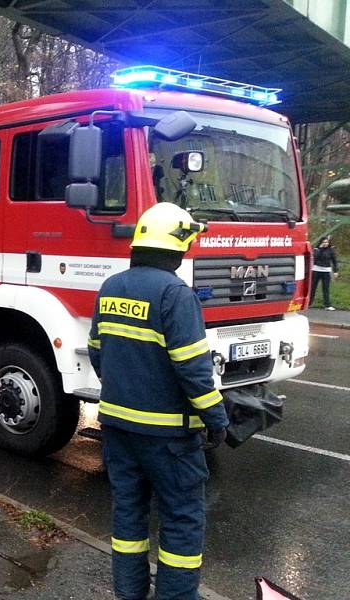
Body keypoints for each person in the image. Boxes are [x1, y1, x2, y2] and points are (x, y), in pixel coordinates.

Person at [88, 202, 229, 600]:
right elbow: (193, 370)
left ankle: (129, 594)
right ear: (177, 248)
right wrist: (216, 419)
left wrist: (128, 390)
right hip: (169, 437)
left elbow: (98, 352)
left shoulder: (111, 287)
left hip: (117, 428)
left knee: (128, 516)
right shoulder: (175, 294)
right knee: (182, 518)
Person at [310, 235, 339, 310]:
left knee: (326, 288)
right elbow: (315, 258)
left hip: (326, 271)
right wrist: (320, 248)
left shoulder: (331, 250)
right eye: (323, 242)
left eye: (326, 242)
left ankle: (327, 305)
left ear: (328, 243)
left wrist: (335, 271)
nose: (325, 243)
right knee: (313, 287)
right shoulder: (317, 249)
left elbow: (334, 261)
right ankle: (309, 303)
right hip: (316, 270)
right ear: (321, 243)